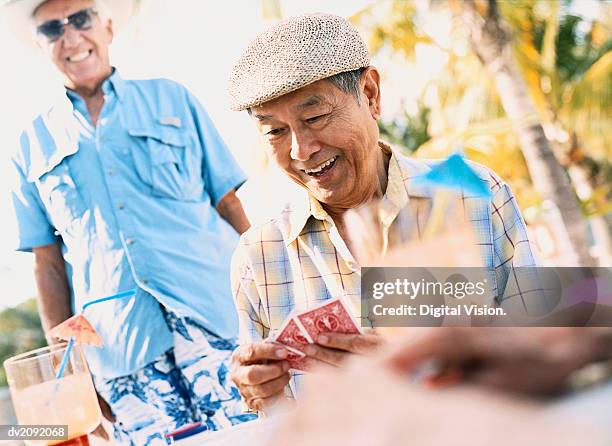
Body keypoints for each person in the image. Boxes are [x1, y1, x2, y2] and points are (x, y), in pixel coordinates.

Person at [226, 13, 539, 412]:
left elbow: (545, 347)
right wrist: (257, 391)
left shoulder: (471, 195)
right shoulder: (258, 256)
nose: (300, 150)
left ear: (370, 94)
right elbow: (273, 414)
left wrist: (422, 365)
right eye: (274, 131)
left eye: (314, 117)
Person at [6, 0, 256, 444]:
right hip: (119, 349)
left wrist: (269, 298)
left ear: (106, 27)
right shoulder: (30, 145)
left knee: (264, 433)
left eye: (80, 20)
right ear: (41, 45)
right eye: (51, 29)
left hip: (219, 314)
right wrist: (71, 376)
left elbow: (228, 203)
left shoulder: (172, 96)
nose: (70, 36)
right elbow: (46, 265)